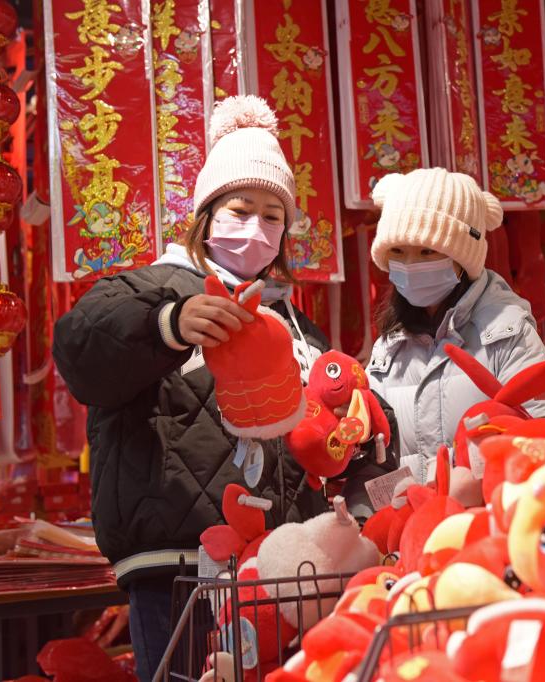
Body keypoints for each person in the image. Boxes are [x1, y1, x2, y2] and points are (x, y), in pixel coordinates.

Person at [52, 96, 392, 681]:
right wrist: (168, 324)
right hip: (181, 568)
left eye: (272, 215)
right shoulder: (150, 288)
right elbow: (80, 349)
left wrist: (357, 430)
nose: (256, 227)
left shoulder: (295, 327)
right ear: (205, 216)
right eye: (240, 208)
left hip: (283, 574)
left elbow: (324, 428)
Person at [366, 167, 545, 460]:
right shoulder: (387, 351)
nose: (410, 264)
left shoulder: (507, 334)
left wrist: (473, 470)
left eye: (427, 251)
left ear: (462, 257)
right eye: (398, 252)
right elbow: (373, 454)